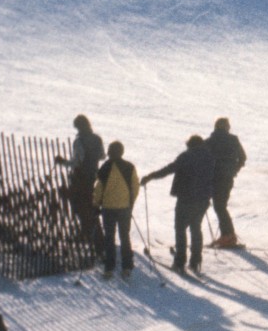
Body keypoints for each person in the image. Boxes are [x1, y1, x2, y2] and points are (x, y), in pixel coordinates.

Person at [142, 135, 215, 275]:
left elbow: (169, 169)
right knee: (196, 229)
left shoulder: (186, 156)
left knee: (180, 229)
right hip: (203, 199)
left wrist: (150, 176)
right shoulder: (209, 157)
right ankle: (195, 261)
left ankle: (180, 262)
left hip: (186, 198)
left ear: (190, 145)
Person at [55, 114, 105, 252]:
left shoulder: (79, 141)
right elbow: (102, 155)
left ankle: (86, 233)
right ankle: (93, 233)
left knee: (79, 204)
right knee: (89, 203)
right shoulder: (97, 138)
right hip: (93, 175)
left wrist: (63, 162)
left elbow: (77, 161)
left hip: (80, 177)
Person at [92, 141, 139, 279]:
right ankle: (127, 266)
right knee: (125, 236)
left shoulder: (105, 167)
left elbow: (99, 188)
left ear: (110, 152)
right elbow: (135, 187)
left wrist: (95, 203)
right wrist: (131, 203)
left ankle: (109, 267)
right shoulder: (130, 167)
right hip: (124, 208)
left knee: (109, 237)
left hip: (108, 208)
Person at [206, 118, 247, 248]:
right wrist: (234, 169)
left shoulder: (210, 142)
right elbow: (243, 157)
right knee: (221, 206)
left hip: (214, 178)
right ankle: (227, 235)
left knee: (219, 206)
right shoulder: (234, 140)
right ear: (226, 127)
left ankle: (228, 236)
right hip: (227, 178)